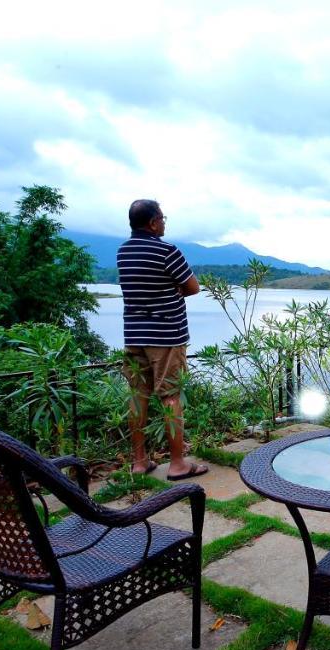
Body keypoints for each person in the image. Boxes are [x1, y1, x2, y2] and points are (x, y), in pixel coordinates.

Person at [117, 199, 207, 480]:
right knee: (170, 396)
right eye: (163, 218)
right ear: (153, 222)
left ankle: (140, 461)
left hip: (134, 334)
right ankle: (178, 463)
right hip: (166, 335)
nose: (165, 222)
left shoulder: (123, 253)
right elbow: (193, 287)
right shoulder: (166, 251)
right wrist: (172, 290)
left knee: (137, 395)